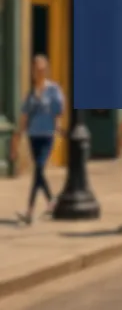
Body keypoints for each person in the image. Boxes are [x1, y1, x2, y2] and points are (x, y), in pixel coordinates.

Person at [10, 55, 65, 225]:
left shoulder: (53, 90)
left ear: (47, 70)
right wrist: (17, 137)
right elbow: (24, 117)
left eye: (42, 69)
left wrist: (58, 126)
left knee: (39, 169)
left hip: (47, 135)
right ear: (33, 72)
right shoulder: (31, 93)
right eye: (36, 70)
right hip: (33, 136)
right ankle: (51, 201)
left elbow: (58, 112)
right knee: (39, 172)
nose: (39, 72)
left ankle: (30, 210)